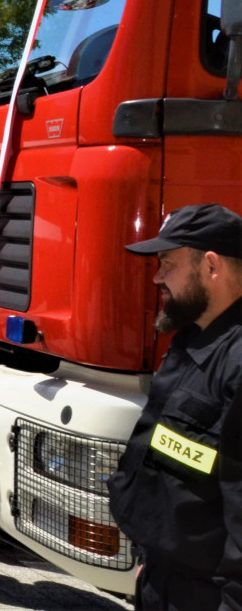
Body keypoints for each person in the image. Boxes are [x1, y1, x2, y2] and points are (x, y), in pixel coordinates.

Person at [108, 203, 242, 611]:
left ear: (212, 267)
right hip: (163, 579)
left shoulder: (236, 362)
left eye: (168, 262)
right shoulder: (192, 338)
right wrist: (151, 560)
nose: (157, 276)